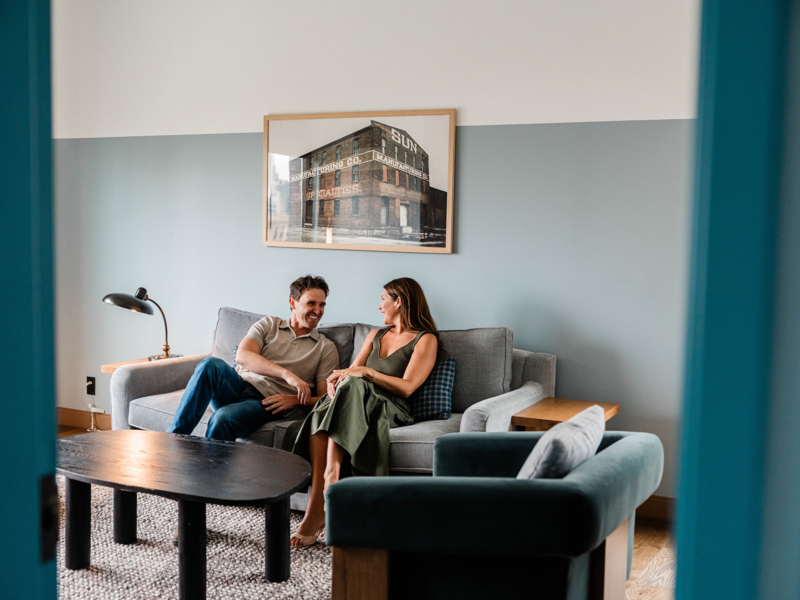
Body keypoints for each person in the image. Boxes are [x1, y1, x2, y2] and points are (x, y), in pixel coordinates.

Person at [284, 277, 439, 547]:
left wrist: (367, 372)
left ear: (398, 301)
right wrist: (337, 380)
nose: (379, 306)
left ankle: (330, 479)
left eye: (383, 299)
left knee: (351, 387)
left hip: (391, 407)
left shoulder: (425, 340)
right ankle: (321, 497)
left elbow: (407, 388)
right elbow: (349, 375)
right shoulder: (375, 335)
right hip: (355, 401)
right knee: (339, 394)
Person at [167, 275, 340, 442]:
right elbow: (243, 356)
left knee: (223, 418)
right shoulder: (269, 325)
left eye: (322, 305)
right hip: (236, 385)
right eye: (311, 303)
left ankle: (209, 472)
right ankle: (170, 444)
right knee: (210, 364)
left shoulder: (325, 348)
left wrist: (295, 401)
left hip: (266, 402)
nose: (318, 311)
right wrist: (287, 375)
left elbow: (326, 399)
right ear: (292, 303)